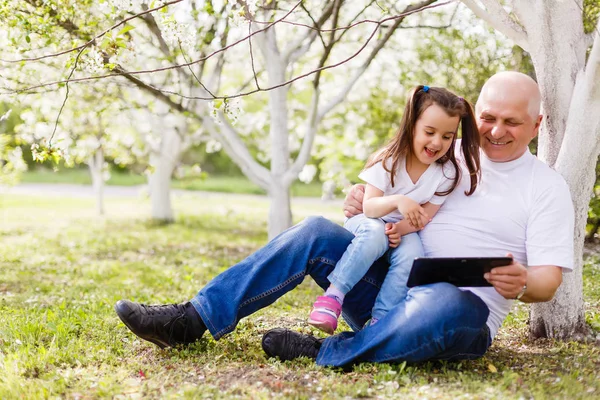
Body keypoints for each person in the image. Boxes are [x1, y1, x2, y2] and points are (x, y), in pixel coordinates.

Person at [114, 71, 574, 368]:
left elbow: (547, 282)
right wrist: (366, 196)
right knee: (314, 230)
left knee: (446, 303)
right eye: (489, 117)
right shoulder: (443, 152)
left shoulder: (545, 187)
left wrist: (521, 281)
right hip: (388, 287)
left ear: (537, 124)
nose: (495, 131)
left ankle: (329, 350)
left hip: (457, 310)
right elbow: (385, 186)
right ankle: (192, 319)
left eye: (512, 122)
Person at [307, 85, 480, 335]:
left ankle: (381, 321)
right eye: (429, 132)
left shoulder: (446, 173)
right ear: (412, 125)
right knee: (375, 234)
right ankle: (333, 296)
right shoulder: (389, 160)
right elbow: (369, 206)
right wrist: (399, 201)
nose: (436, 142)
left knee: (413, 255)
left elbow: (425, 217)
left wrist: (400, 228)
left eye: (447, 136)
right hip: (367, 222)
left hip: (402, 231)